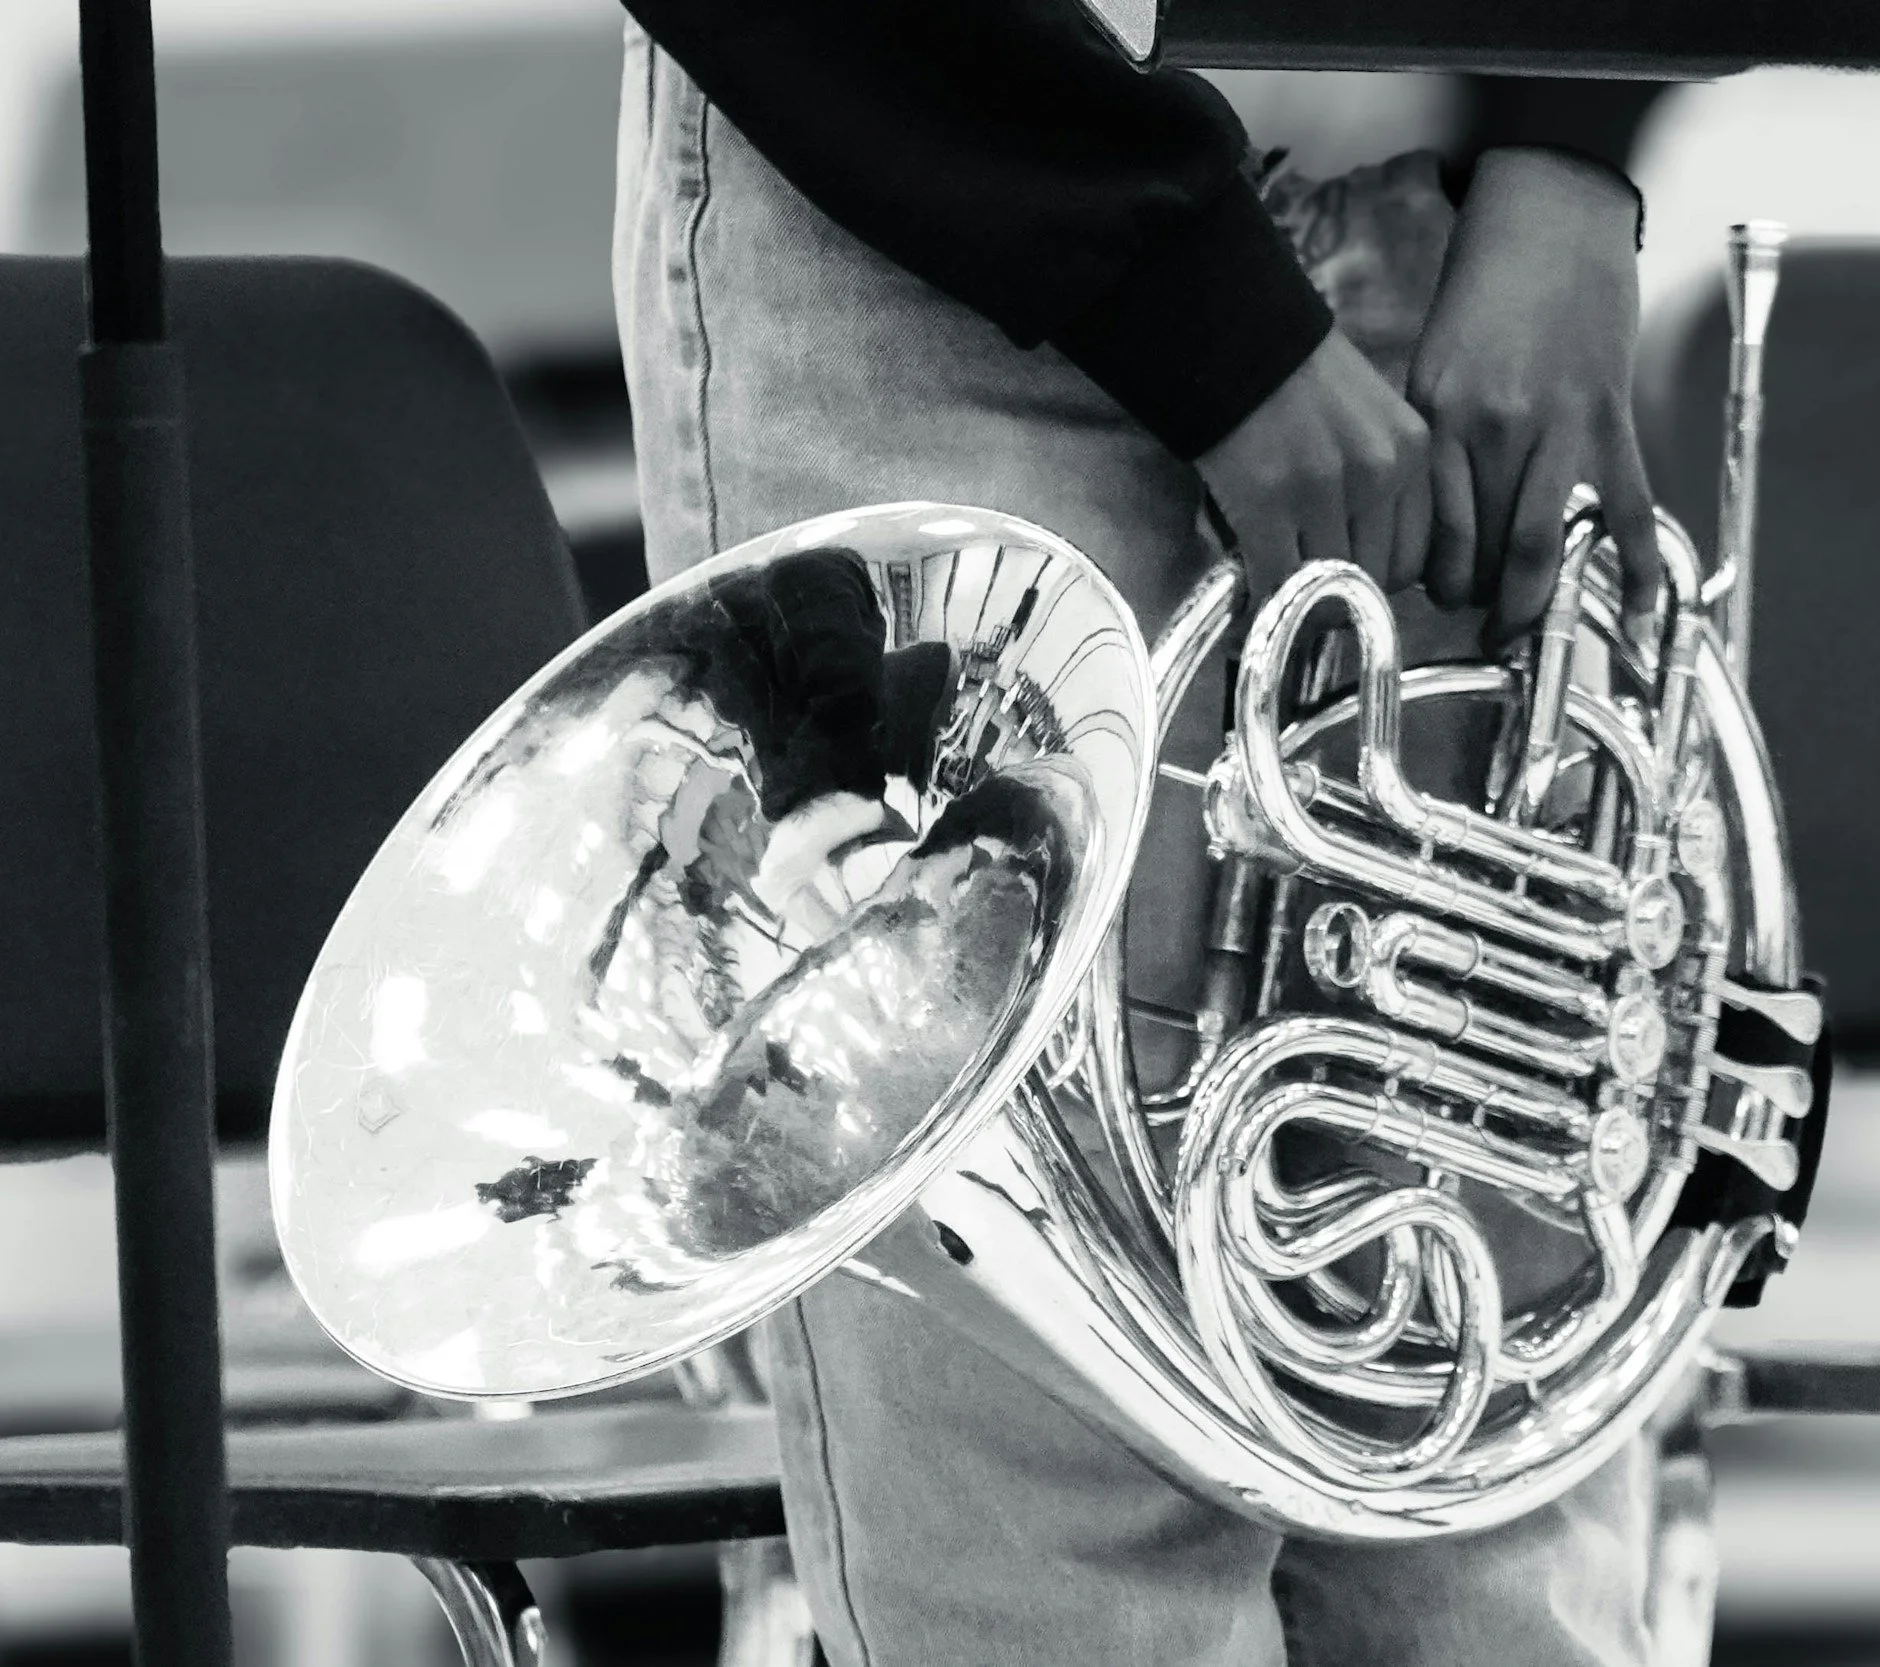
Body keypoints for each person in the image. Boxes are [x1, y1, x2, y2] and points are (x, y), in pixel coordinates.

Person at [609, 4, 1709, 1662]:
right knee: (1067, 1560)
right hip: (942, 169)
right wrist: (1216, 321)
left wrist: (1571, 144)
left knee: (1493, 1529)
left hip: (1459, 210)